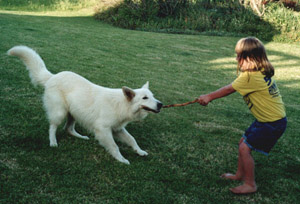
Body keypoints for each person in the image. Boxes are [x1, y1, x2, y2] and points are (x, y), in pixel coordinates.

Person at [197, 37, 287, 194]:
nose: (236, 58)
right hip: (267, 120)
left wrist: (208, 96)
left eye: (240, 56)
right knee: (242, 143)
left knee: (245, 148)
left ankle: (250, 184)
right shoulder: (259, 71)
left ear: (251, 58)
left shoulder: (250, 76)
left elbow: (228, 89)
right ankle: (239, 174)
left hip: (272, 123)